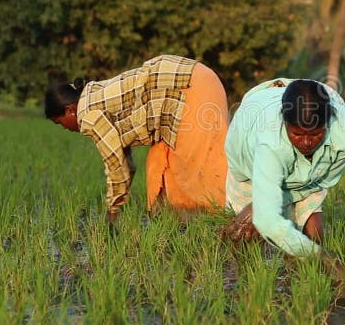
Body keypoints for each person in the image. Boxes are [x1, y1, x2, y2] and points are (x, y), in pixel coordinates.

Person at [45, 55, 228, 226]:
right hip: (194, 77)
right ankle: (183, 229)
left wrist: (112, 212)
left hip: (190, 87)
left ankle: (226, 224)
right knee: (162, 169)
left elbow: (116, 166)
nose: (66, 128)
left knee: (199, 170)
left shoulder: (87, 115)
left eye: (60, 123)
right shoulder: (92, 95)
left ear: (70, 110)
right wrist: (116, 204)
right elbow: (124, 162)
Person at [222, 78, 345, 257]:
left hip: (307, 98)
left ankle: (303, 277)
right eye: (297, 134)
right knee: (245, 233)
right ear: (285, 123)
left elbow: (323, 180)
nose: (306, 142)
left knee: (314, 231)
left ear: (327, 125)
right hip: (251, 155)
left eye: (316, 134)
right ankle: (244, 277)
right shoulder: (268, 141)